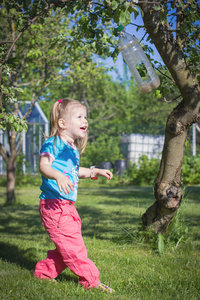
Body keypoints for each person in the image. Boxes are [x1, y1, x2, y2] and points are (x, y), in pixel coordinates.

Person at [34, 98, 115, 293]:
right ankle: (92, 281)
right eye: (79, 117)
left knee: (66, 247)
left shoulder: (72, 149)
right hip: (55, 207)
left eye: (85, 117)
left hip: (67, 207)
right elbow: (44, 166)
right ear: (62, 123)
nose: (85, 121)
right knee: (75, 248)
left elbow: (75, 172)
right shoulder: (53, 143)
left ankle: (44, 273)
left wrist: (94, 171)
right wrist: (58, 175)